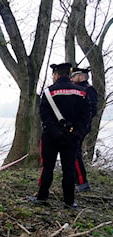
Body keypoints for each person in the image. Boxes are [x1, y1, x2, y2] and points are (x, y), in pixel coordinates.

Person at [29, 62, 90, 209]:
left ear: (56, 75)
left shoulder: (49, 92)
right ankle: (69, 201)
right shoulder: (81, 92)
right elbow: (86, 115)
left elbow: (45, 115)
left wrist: (56, 133)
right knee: (68, 169)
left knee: (48, 167)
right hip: (72, 137)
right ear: (68, 75)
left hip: (51, 137)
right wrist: (77, 133)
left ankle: (42, 196)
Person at [70, 67, 98, 192]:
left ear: (81, 76)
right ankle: (76, 179)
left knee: (75, 153)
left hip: (81, 127)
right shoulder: (77, 89)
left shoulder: (88, 90)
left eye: (74, 76)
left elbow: (92, 111)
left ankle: (82, 182)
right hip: (76, 126)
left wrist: (79, 124)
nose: (71, 78)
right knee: (73, 153)